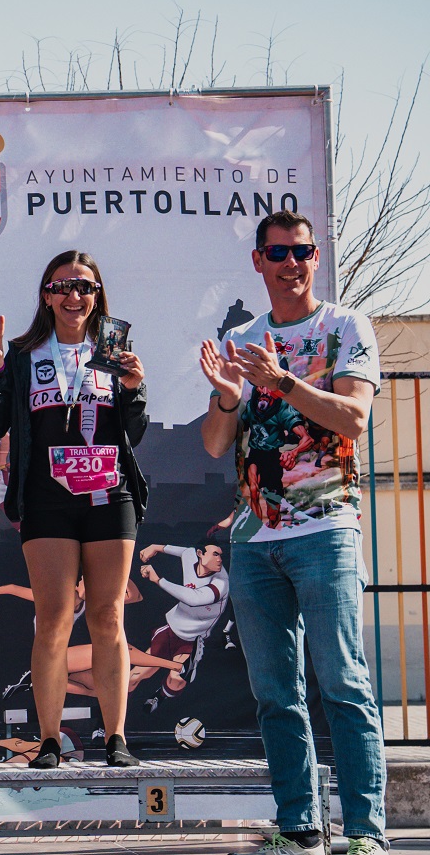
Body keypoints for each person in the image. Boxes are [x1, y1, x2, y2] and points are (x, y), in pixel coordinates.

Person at [199, 210, 386, 855]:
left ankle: (365, 830)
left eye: (302, 251)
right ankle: (298, 824)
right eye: (277, 252)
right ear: (259, 261)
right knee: (276, 693)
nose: (291, 262)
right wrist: (229, 396)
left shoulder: (343, 326)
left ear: (314, 258)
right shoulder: (244, 337)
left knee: (343, 681)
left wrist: (282, 381)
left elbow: (353, 419)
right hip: (255, 538)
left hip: (326, 528)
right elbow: (216, 440)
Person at [0, 250, 148, 769]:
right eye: (63, 287)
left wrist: (135, 390)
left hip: (108, 496)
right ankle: (49, 739)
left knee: (107, 615)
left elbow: (133, 434)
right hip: (48, 499)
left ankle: (115, 737)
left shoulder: (115, 351)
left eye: (85, 288)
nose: (74, 297)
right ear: (46, 295)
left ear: (98, 296)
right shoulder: (24, 354)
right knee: (52, 618)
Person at [129, 541, 229, 713]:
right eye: (215, 554)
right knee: (134, 677)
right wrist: (154, 547)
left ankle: (159, 696)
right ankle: (105, 720)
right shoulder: (191, 556)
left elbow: (193, 599)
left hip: (192, 639)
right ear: (200, 554)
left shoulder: (221, 582)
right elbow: (184, 550)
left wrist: (158, 580)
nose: (220, 559)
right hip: (171, 630)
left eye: (220, 555)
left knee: (176, 679)